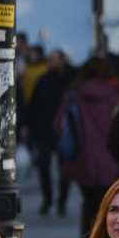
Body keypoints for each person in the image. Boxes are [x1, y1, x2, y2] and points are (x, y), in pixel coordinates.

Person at [55, 56, 119, 238]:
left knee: (89, 204)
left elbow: (58, 125)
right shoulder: (116, 96)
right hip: (111, 161)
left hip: (82, 160)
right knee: (109, 206)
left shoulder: (74, 96)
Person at [28, 50, 76, 216]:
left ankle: (61, 200)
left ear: (63, 61)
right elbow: (34, 103)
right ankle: (48, 199)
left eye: (55, 60)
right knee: (43, 164)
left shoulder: (72, 79)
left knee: (65, 167)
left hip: (65, 131)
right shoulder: (44, 80)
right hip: (45, 130)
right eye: (50, 60)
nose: (51, 63)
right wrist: (29, 125)